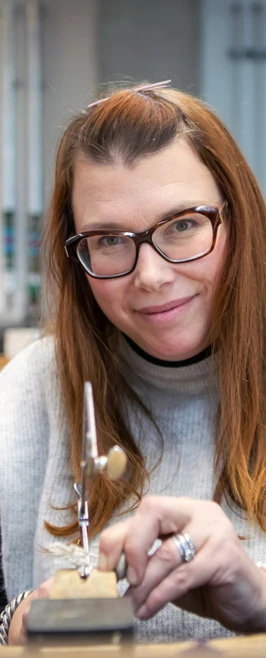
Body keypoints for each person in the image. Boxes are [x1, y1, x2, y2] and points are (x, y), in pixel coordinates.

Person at [1, 80, 266, 646]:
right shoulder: (29, 389)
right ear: (78, 254)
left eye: (184, 225)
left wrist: (261, 600)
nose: (150, 275)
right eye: (109, 240)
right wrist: (16, 621)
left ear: (238, 218)